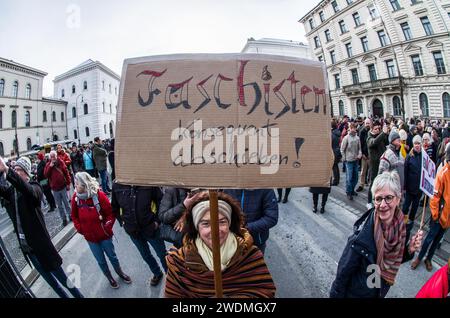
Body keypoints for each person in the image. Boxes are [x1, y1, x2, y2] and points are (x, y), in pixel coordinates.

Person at [164, 191, 276, 298]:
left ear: (230, 224)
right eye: (206, 224)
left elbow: (266, 292)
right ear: (196, 227)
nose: (215, 231)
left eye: (222, 222)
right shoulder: (179, 262)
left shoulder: (250, 255)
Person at [330, 171, 423, 298]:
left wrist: (409, 250)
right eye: (378, 199)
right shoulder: (360, 239)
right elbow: (341, 277)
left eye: (389, 198)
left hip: (378, 291)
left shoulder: (399, 228)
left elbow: (393, 259)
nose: (383, 205)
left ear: (398, 199)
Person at [0, 156, 83, 298]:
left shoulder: (35, 187)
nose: (16, 171)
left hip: (42, 249)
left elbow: (27, 191)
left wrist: (8, 169)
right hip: (29, 251)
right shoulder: (12, 192)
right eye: (15, 169)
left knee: (64, 280)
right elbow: (2, 189)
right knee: (53, 284)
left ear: (26, 173)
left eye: (19, 170)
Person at [71, 172, 131, 289]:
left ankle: (120, 273)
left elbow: (110, 213)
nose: (75, 185)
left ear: (84, 185)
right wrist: (80, 229)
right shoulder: (75, 198)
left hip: (104, 236)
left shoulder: (98, 195)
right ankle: (110, 278)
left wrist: (107, 227)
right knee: (101, 261)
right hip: (90, 238)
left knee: (112, 257)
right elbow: (74, 216)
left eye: (77, 183)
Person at [111, 182, 168, 286]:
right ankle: (157, 273)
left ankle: (171, 276)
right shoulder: (117, 185)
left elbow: (162, 202)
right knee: (145, 255)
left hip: (151, 228)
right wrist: (123, 222)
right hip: (133, 231)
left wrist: (157, 222)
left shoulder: (148, 182)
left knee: (162, 254)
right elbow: (114, 208)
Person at [411, 144, 450, 272]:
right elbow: (435, 197)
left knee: (437, 241)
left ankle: (429, 259)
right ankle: (419, 257)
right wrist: (435, 215)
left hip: (448, 218)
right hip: (438, 216)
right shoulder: (443, 173)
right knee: (429, 239)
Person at [224, 189, 278, 254]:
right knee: (234, 262)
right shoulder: (228, 186)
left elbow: (271, 218)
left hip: (257, 240)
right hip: (231, 238)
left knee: (256, 262)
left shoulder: (265, 188)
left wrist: (246, 228)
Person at [403, 135, 423, 240]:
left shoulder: (423, 157)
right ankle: (402, 222)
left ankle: (410, 223)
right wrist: (404, 188)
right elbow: (405, 173)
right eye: (415, 143)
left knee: (414, 208)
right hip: (410, 188)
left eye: (419, 143)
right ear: (413, 145)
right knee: (406, 206)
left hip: (419, 189)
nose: (417, 145)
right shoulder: (409, 157)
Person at [44, 150, 71, 226]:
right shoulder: (48, 165)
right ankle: (64, 219)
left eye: (54, 156)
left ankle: (70, 215)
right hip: (55, 189)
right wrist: (50, 167)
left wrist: (68, 183)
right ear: (50, 157)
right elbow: (46, 175)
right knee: (59, 206)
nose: (53, 158)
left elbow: (66, 172)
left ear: (56, 156)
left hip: (63, 186)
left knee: (66, 203)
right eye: (51, 156)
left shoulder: (61, 162)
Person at [340, 122, 362, 200]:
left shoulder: (357, 138)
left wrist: (360, 154)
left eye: (355, 128)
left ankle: (352, 190)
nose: (354, 129)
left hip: (355, 160)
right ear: (350, 128)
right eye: (352, 128)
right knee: (349, 177)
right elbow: (342, 149)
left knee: (355, 177)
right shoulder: (346, 138)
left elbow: (360, 149)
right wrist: (344, 158)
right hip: (348, 161)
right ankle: (349, 191)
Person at [356, 118, 371, 192]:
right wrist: (362, 153)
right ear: (365, 124)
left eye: (368, 123)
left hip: (371, 155)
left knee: (371, 171)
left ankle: (371, 184)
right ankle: (361, 185)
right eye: (366, 123)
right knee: (363, 171)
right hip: (364, 155)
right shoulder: (362, 132)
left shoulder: (372, 131)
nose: (367, 125)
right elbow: (360, 144)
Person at [331, 119, 342, 186]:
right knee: (335, 166)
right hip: (337, 150)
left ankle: (335, 180)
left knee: (334, 166)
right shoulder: (337, 132)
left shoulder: (332, 134)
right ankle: (337, 179)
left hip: (333, 151)